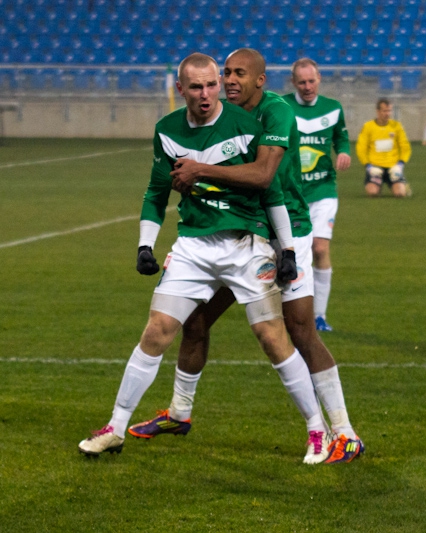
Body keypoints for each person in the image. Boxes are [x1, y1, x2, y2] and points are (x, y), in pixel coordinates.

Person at [78, 53, 327, 459]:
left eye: (213, 84)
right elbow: (156, 192)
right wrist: (145, 245)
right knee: (157, 330)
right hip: (193, 247)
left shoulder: (247, 127)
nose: (207, 93)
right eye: (196, 87)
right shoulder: (166, 130)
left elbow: (271, 191)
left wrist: (285, 250)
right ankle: (116, 427)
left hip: (245, 246)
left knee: (271, 336)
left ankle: (317, 430)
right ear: (181, 90)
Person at [125, 49, 363, 465]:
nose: (229, 80)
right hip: (236, 236)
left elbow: (262, 176)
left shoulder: (276, 112)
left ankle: (344, 432)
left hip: (287, 232)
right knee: (194, 319)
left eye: (238, 74)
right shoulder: (221, 111)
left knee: (299, 329)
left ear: (261, 81)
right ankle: (180, 412)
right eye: (226, 73)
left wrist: (197, 169)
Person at [283, 58, 350, 332]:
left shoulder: (333, 108)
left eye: (311, 81)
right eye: (302, 82)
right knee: (290, 254)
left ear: (319, 78)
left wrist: (344, 151)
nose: (307, 87)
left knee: (320, 248)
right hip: (292, 193)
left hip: (323, 189)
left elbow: (341, 137)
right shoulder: (282, 106)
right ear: (293, 82)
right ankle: (292, 312)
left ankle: (319, 316)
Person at [356, 98, 412, 198]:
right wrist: (368, 166)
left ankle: (404, 186)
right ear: (378, 111)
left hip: (393, 168)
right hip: (375, 167)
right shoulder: (368, 127)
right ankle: (378, 184)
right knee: (372, 193)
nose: (387, 114)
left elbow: (405, 147)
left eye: (389, 110)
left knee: (400, 194)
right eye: (384, 111)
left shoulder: (396, 126)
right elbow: (361, 148)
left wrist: (400, 165)